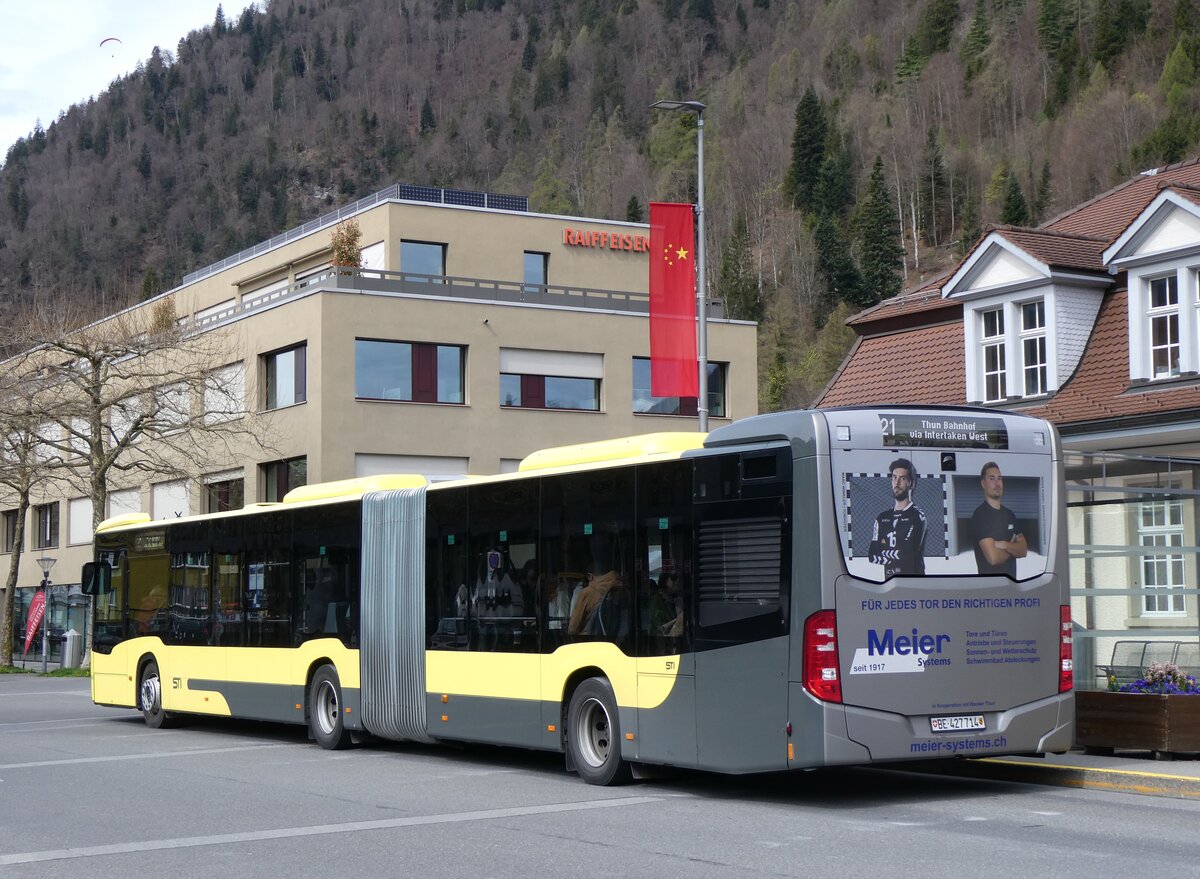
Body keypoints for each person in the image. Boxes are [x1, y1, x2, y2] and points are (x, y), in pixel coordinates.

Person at [868, 457, 927, 576]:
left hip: (915, 583)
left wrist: (885, 553)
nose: (897, 482)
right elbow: (872, 555)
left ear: (911, 483)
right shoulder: (881, 518)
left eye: (902, 478)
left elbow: (907, 554)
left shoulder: (917, 516)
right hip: (890, 582)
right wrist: (894, 555)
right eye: (894, 478)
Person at [971, 462, 1027, 576]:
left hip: (1012, 586)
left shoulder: (1010, 515)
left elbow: (1023, 550)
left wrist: (1004, 545)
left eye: (999, 478)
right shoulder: (980, 516)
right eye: (992, 479)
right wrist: (1013, 548)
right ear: (983, 483)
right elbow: (993, 558)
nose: (997, 483)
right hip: (991, 588)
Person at [567, 569, 620, 635]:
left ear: (590, 576)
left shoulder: (587, 592)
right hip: (614, 640)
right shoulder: (619, 589)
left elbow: (573, 628)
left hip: (589, 640)